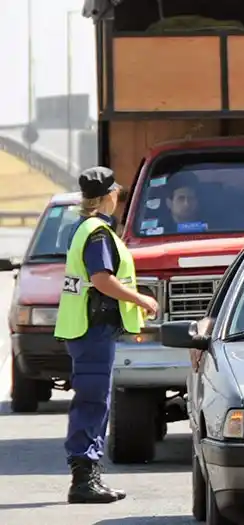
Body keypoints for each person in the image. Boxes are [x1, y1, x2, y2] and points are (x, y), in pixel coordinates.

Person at [53, 167, 160, 504]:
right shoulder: (97, 233)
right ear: (108, 196)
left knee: (93, 400)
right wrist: (140, 298)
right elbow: (101, 279)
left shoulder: (81, 228)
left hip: (87, 328)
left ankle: (88, 475)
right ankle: (84, 480)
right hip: (92, 328)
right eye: (116, 193)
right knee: (93, 402)